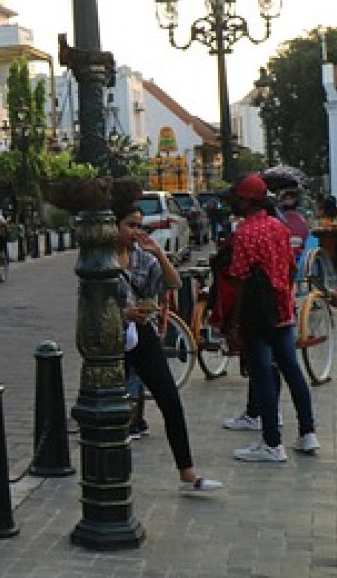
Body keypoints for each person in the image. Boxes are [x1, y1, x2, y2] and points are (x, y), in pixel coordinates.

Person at [114, 201, 223, 493]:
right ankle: (108, 477)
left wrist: (159, 253)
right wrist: (122, 314)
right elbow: (89, 306)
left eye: (139, 225)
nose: (135, 231)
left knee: (170, 400)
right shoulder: (100, 260)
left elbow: (174, 282)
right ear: (113, 226)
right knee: (111, 409)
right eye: (130, 225)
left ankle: (187, 473)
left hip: (142, 334)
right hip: (112, 338)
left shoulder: (142, 257)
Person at [225, 172, 320, 462]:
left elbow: (239, 280)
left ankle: (272, 443)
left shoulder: (244, 233)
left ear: (246, 201)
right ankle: (308, 432)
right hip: (282, 308)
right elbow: (292, 266)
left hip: (258, 313)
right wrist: (284, 292)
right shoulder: (279, 228)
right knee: (293, 370)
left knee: (263, 374)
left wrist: (234, 321)